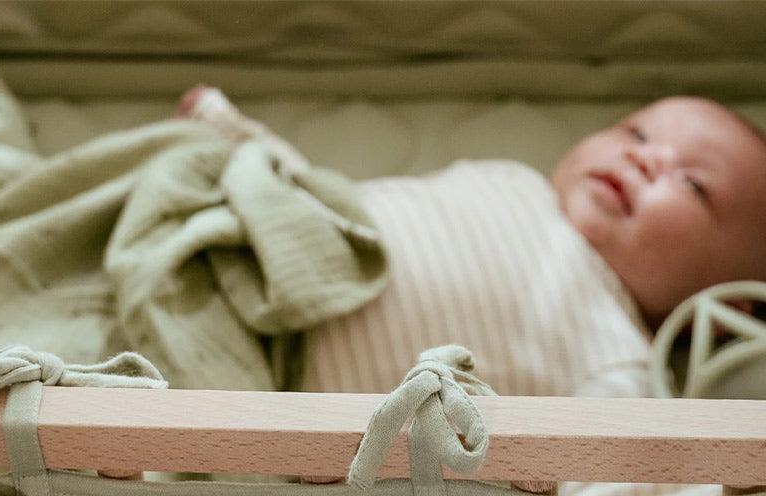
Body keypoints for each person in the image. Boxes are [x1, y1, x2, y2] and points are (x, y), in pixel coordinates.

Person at [181, 90, 766, 404]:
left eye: (694, 184)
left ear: (725, 312)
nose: (644, 157)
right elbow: (339, 204)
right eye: (636, 132)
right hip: (249, 247)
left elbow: (616, 491)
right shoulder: (515, 180)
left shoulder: (614, 356)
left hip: (265, 382)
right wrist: (239, 136)